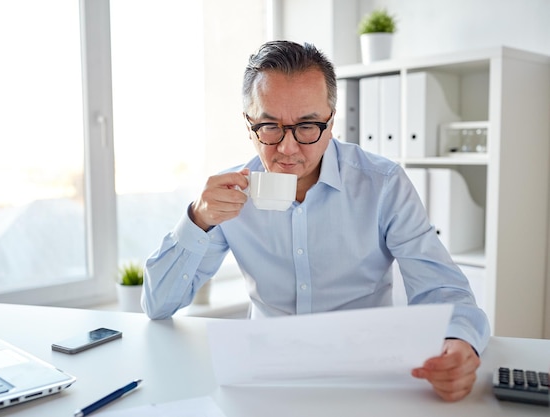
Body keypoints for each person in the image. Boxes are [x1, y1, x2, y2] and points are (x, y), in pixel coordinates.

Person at [141, 40, 490, 402]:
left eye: (307, 126)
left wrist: (459, 342)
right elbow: (158, 304)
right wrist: (198, 219)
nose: (288, 149)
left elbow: (443, 289)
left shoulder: (383, 184)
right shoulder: (228, 194)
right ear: (249, 125)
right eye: (269, 126)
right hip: (265, 379)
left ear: (331, 122)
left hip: (366, 377)